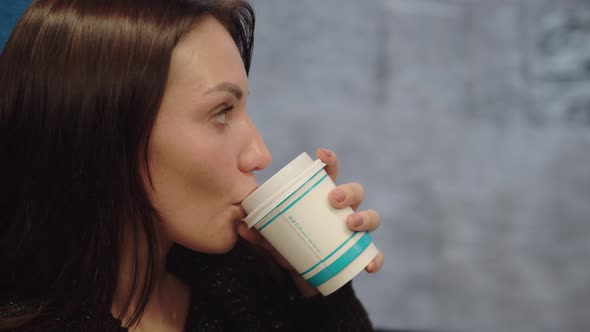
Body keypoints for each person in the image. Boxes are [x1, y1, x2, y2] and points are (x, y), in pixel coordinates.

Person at [0, 0, 385, 331]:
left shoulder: (244, 282)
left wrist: (315, 287)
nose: (259, 155)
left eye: (243, 108)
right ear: (104, 132)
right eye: (221, 112)